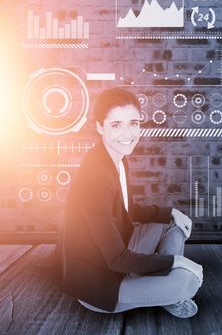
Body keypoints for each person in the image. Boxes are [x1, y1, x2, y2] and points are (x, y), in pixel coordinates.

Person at [59, 87, 203, 318]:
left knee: (172, 224)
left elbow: (129, 210)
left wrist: (171, 212)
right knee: (187, 281)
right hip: (101, 285)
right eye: (116, 125)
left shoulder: (115, 157)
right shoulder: (94, 179)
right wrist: (177, 261)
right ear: (99, 127)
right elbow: (117, 260)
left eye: (133, 123)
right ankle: (169, 291)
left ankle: (158, 287)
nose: (128, 133)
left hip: (122, 255)